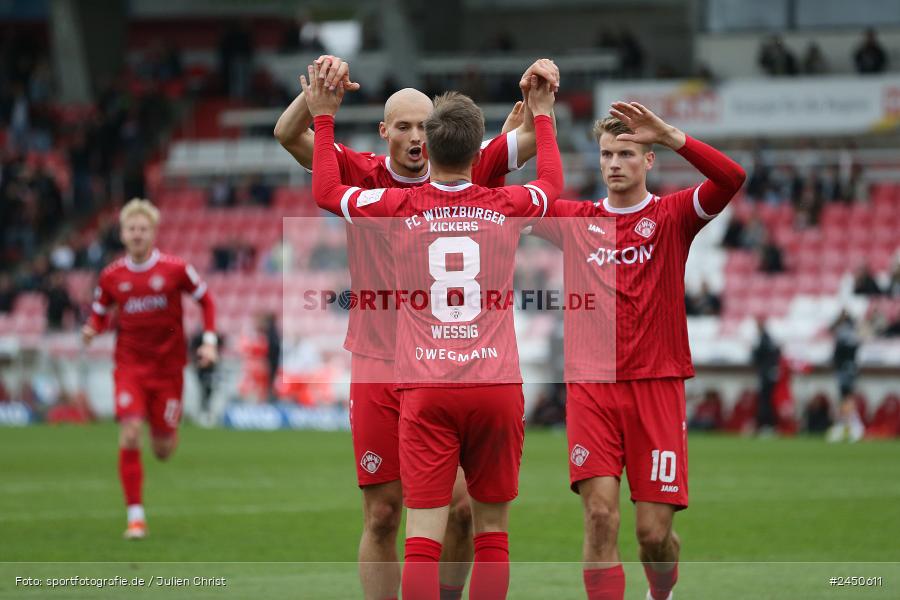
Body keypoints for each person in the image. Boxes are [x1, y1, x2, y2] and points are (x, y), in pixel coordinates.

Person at [274, 55, 559, 600]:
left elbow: (526, 139)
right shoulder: (360, 171)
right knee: (383, 513)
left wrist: (526, 114)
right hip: (379, 363)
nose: (412, 137)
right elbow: (288, 132)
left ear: (434, 132)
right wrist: (318, 94)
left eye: (420, 126)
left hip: (439, 368)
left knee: (458, 511)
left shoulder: (466, 166)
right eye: (400, 126)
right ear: (384, 132)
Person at [530, 101, 745, 599]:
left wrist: (671, 135)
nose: (613, 164)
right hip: (591, 389)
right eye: (607, 154)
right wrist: (537, 120)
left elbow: (732, 178)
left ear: (648, 161)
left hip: (657, 387)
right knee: (600, 514)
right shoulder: (576, 220)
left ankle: (661, 592)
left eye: (626, 153)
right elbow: (505, 201)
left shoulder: (671, 216)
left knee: (652, 535)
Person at [83, 198, 218, 539]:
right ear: (123, 234)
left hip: (169, 370)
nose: (137, 234)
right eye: (131, 229)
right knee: (129, 431)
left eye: (143, 229)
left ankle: (167, 430)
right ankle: (135, 517)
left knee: (161, 449)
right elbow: (100, 312)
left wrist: (210, 341)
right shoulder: (112, 276)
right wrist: (92, 329)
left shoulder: (175, 269)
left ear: (153, 232)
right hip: (129, 367)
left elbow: (207, 299)